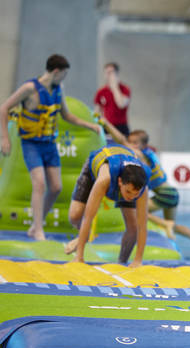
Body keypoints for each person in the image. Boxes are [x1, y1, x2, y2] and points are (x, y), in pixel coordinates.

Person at [0, 54, 101, 240]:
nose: (65, 78)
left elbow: (67, 116)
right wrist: (5, 138)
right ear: (56, 72)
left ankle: (36, 224)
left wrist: (90, 125)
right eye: (64, 74)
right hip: (31, 144)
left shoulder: (58, 89)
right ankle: (38, 229)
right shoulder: (29, 88)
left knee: (55, 187)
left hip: (49, 144)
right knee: (39, 184)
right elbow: (4, 108)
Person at [100, 118, 190, 258]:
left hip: (164, 194)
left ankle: (165, 225)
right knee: (172, 226)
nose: (132, 145)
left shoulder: (141, 155)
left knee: (137, 213)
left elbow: (122, 141)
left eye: (135, 143)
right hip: (171, 193)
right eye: (131, 142)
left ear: (143, 145)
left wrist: (105, 123)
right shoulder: (150, 153)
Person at [65, 143, 150, 267]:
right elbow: (89, 217)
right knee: (75, 216)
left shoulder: (142, 188)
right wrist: (79, 257)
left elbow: (142, 225)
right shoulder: (105, 179)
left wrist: (138, 260)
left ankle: (122, 262)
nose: (131, 197)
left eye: (135, 194)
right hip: (94, 169)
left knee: (133, 226)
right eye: (128, 192)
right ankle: (84, 236)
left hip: (127, 172)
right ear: (120, 181)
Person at [94, 62, 131, 136]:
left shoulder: (125, 89)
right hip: (107, 126)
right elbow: (96, 112)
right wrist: (98, 124)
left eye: (111, 72)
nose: (109, 75)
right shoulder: (101, 91)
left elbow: (121, 104)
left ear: (116, 73)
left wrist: (114, 88)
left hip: (121, 126)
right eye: (107, 72)